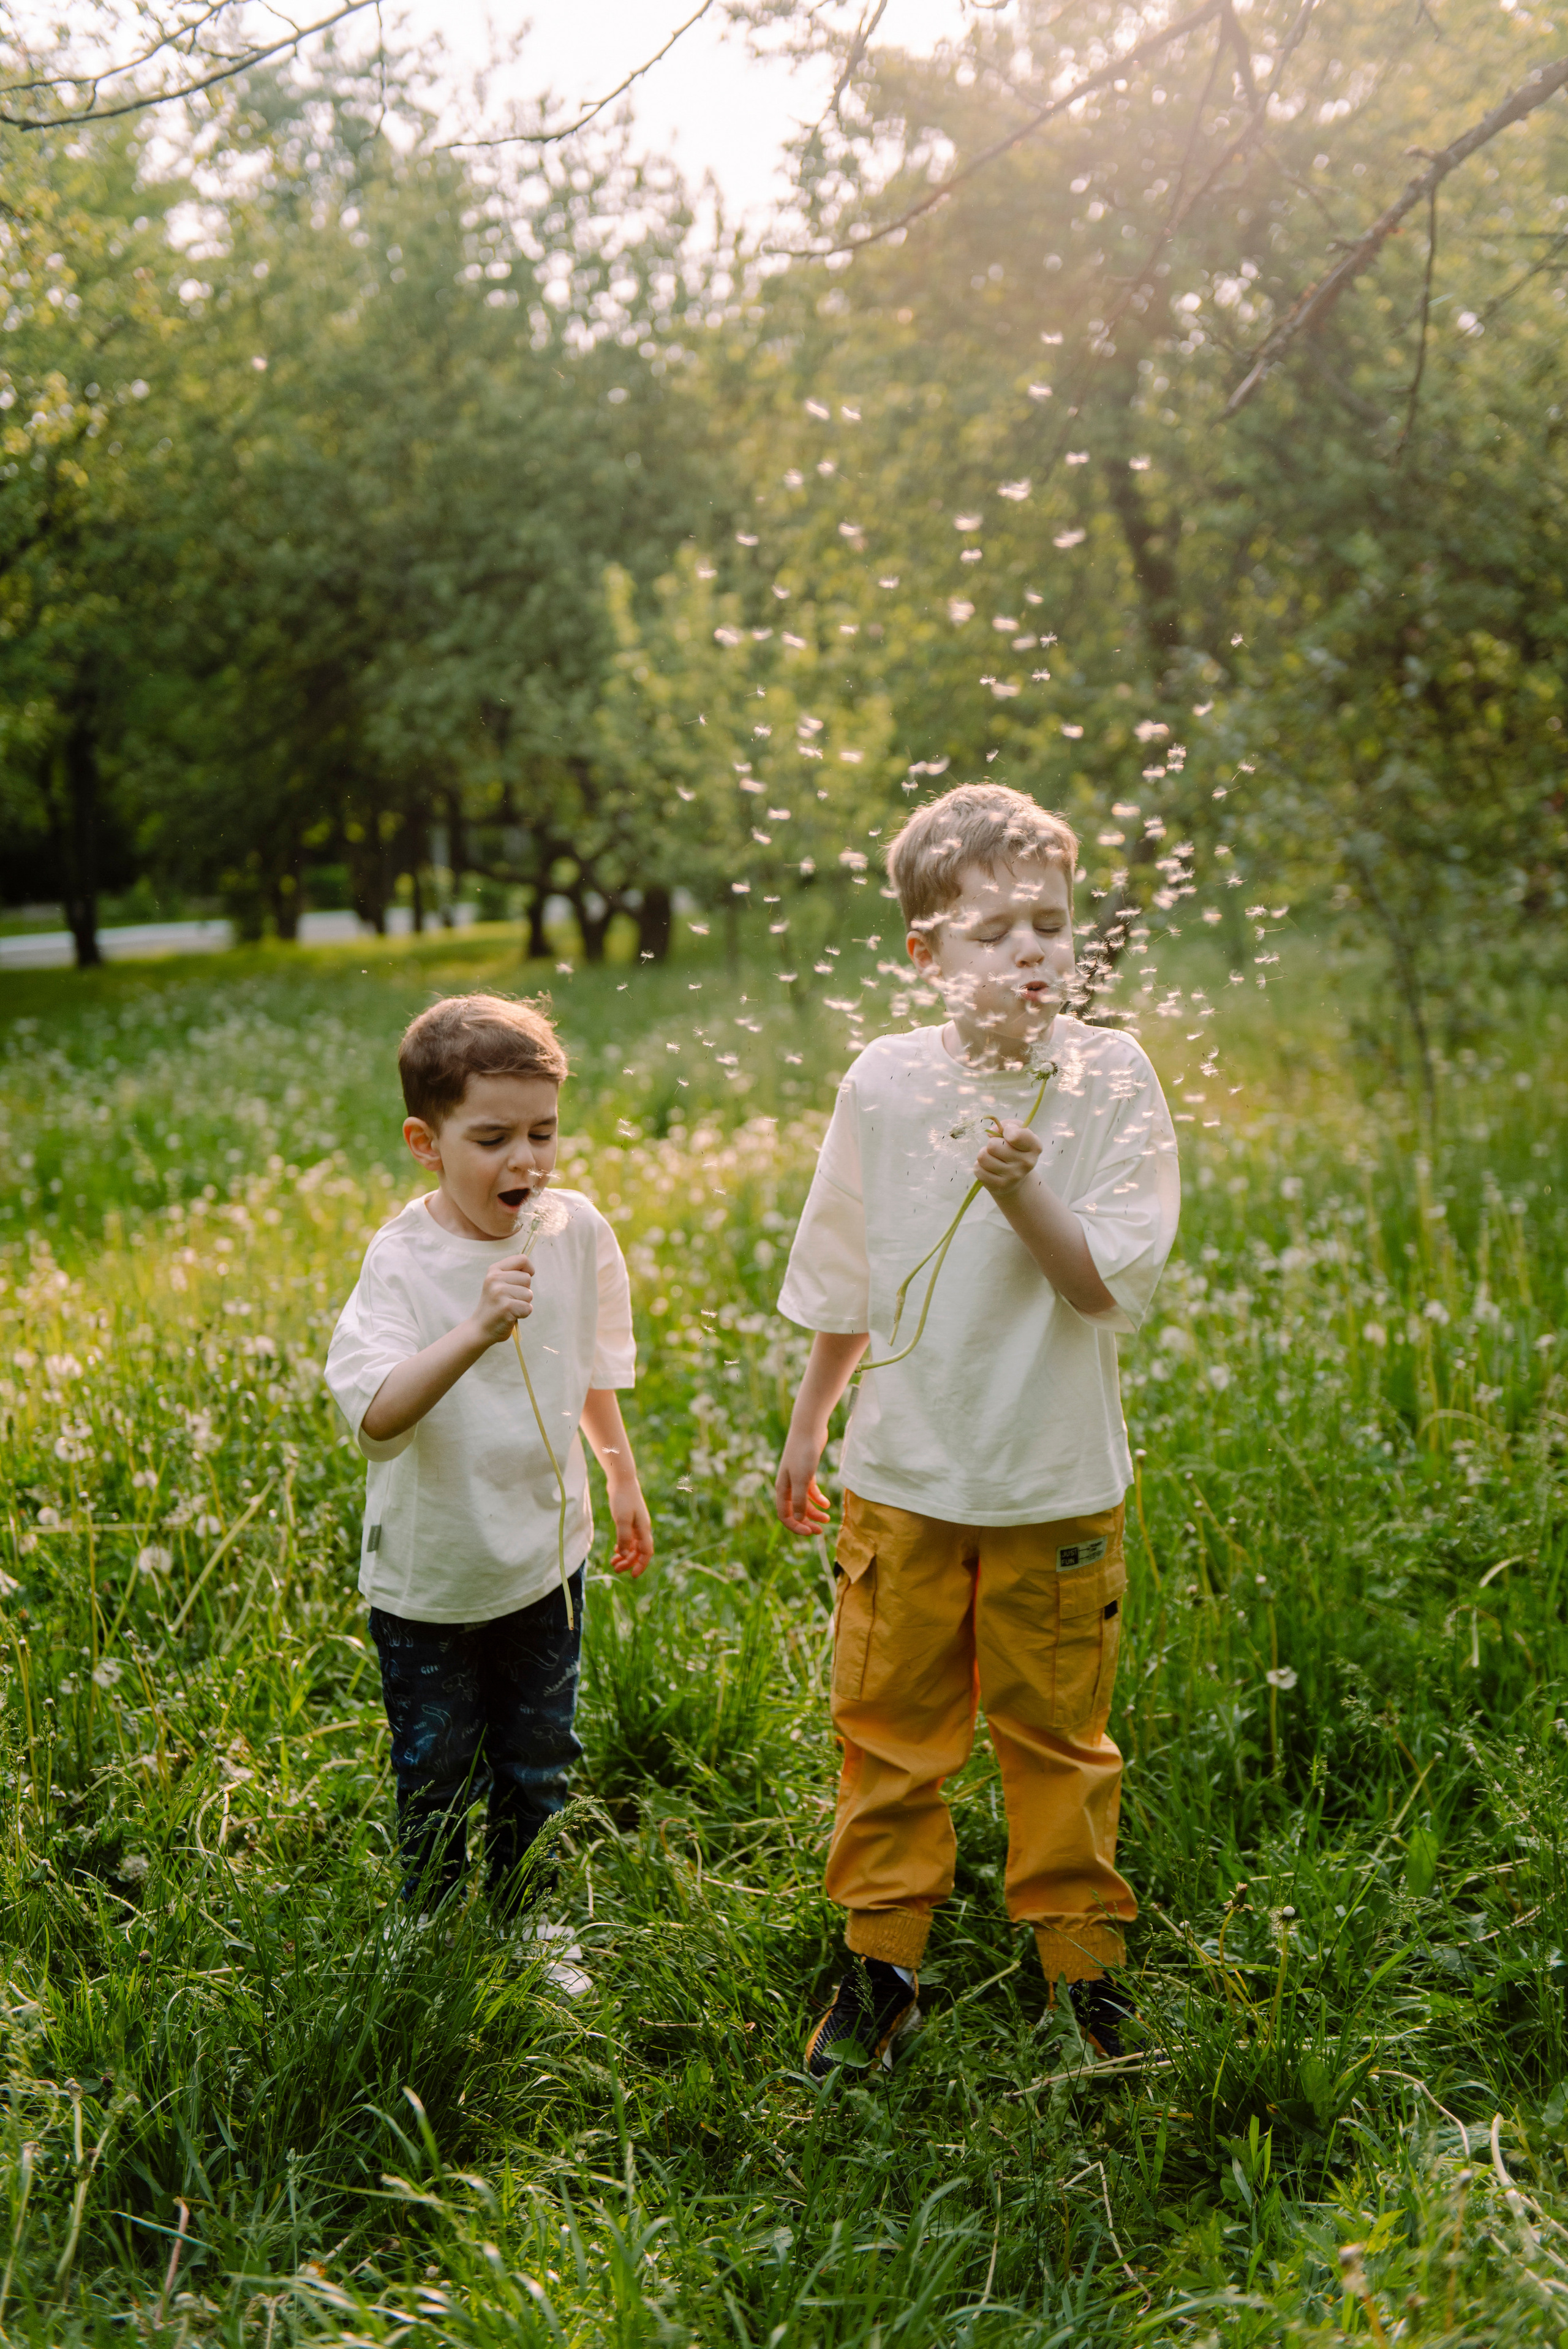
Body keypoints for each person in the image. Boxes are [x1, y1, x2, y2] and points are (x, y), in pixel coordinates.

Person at [775, 782, 1178, 2076]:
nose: (1030, 952)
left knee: (1055, 1735)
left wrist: (1022, 1191)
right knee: (886, 1728)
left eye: (1050, 927)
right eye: (994, 929)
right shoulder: (886, 1083)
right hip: (900, 1474)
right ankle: (883, 1960)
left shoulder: (1108, 1077)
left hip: (1052, 1478)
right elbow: (846, 1276)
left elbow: (1095, 1285)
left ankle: (1079, 1970)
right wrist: (808, 1427)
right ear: (923, 953)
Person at [326, 993, 653, 1981]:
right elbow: (377, 1414)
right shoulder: (405, 1261)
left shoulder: (576, 1229)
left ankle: (526, 1916)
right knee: (436, 1767)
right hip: (433, 1578)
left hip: (546, 1558)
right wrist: (471, 1330)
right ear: (425, 1142)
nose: (528, 1162)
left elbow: (591, 1363)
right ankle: (428, 1925)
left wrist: (621, 1471)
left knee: (538, 1752)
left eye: (545, 1132)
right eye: (494, 1137)